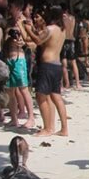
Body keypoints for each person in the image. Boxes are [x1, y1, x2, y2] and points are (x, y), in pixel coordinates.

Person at [32, 7, 69, 136]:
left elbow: (37, 40)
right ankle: (64, 128)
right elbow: (48, 44)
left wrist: (25, 28)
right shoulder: (62, 30)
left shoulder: (50, 29)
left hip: (47, 65)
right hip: (57, 65)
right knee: (56, 96)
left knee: (41, 96)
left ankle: (48, 128)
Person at [60, 4, 79, 89]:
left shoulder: (62, 18)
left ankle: (66, 83)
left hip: (64, 40)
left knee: (64, 63)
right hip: (71, 40)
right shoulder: (73, 18)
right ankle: (77, 83)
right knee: (73, 62)